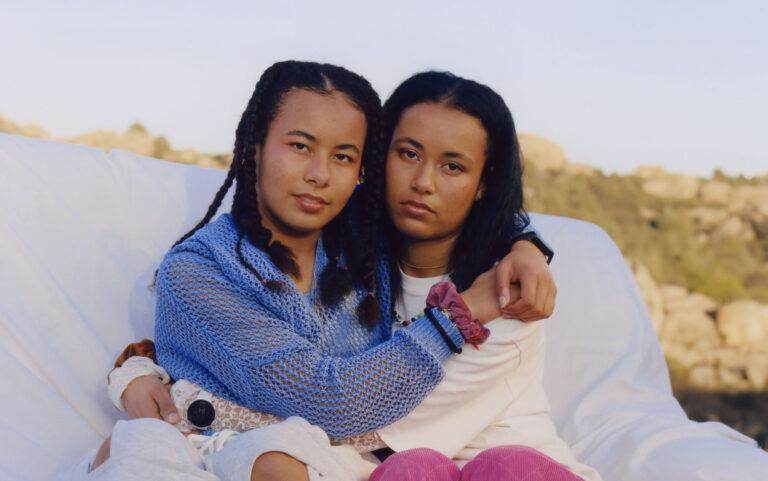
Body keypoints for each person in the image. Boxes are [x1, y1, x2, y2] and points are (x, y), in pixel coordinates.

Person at [79, 61, 555, 481]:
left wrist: (526, 244)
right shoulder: (200, 269)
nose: (320, 174)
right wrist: (140, 373)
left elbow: (468, 202)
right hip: (216, 445)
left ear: (360, 168)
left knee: (278, 461)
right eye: (301, 146)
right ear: (253, 148)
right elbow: (323, 397)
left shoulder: (362, 245)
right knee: (134, 451)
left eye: (344, 156)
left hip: (328, 460)